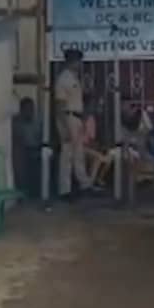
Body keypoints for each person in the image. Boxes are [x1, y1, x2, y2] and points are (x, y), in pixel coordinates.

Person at [55, 48, 93, 199]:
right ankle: (65, 190)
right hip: (68, 117)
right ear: (71, 61)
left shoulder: (74, 77)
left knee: (78, 155)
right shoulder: (63, 79)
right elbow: (59, 105)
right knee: (67, 155)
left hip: (77, 118)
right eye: (78, 61)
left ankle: (84, 185)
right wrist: (62, 127)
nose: (80, 64)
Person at [12, 97, 40, 196]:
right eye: (27, 109)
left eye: (32, 109)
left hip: (35, 149)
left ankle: (34, 192)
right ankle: (22, 192)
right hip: (22, 150)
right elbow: (16, 138)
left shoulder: (37, 122)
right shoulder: (15, 122)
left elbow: (39, 138)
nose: (30, 112)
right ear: (22, 110)